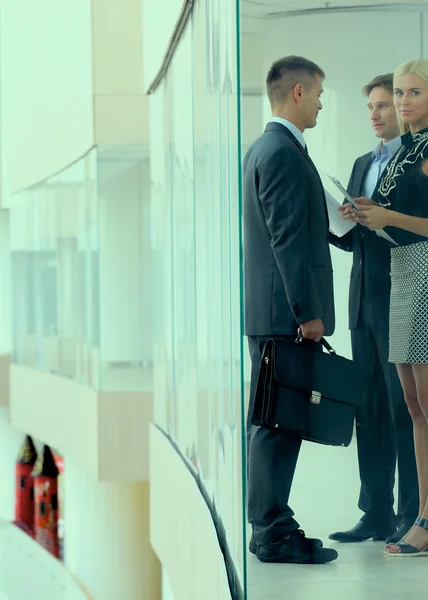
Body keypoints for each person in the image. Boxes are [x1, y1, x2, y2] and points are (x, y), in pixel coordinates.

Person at [243, 56, 337, 564]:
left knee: (275, 424)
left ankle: (272, 526)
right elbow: (285, 240)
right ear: (297, 92)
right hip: (285, 316)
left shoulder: (268, 147)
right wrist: (306, 313)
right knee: (276, 427)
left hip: (275, 314)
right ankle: (273, 532)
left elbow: (297, 228)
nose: (323, 102)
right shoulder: (280, 151)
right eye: (319, 93)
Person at [343, 58, 428, 557]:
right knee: (415, 406)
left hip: (422, 269)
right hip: (401, 272)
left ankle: (420, 517)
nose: (401, 103)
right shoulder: (401, 152)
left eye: (411, 93)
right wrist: (367, 218)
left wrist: (386, 215)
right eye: (398, 94)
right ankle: (419, 516)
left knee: (420, 408)